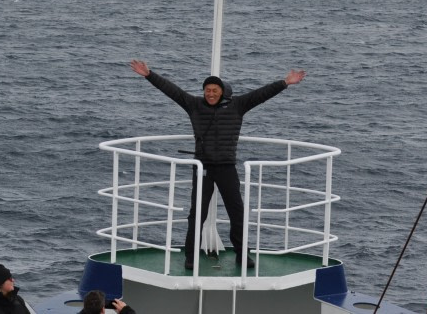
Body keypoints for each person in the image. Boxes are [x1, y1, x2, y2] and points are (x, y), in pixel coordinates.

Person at [129, 59, 306, 270]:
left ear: (222, 92)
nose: (210, 94)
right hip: (203, 168)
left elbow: (261, 94)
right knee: (197, 215)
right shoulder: (193, 105)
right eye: (207, 90)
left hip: (226, 167)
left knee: (237, 212)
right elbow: (173, 91)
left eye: (214, 90)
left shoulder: (237, 106)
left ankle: (242, 254)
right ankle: (191, 257)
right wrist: (149, 75)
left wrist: (285, 82)